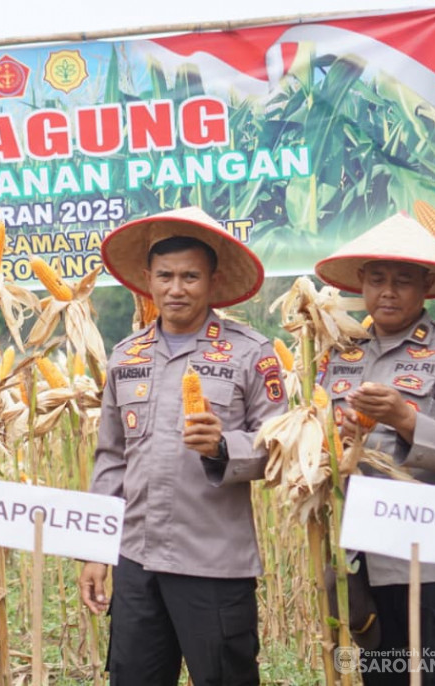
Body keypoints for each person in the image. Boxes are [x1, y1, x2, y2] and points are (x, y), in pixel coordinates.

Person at [79, 207, 285, 685]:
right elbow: (111, 459)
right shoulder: (125, 356)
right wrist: (94, 549)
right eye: (165, 276)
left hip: (213, 562)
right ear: (147, 280)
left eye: (190, 276)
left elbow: (280, 445)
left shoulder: (250, 352)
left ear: (213, 281)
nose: (176, 288)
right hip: (136, 560)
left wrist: (222, 447)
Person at [315, 213, 435, 685]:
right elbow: (315, 445)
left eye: (403, 281)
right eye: (377, 280)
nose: (388, 292)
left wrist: (406, 420)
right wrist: (336, 442)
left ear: (427, 285)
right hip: (367, 563)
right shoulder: (339, 354)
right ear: (361, 282)